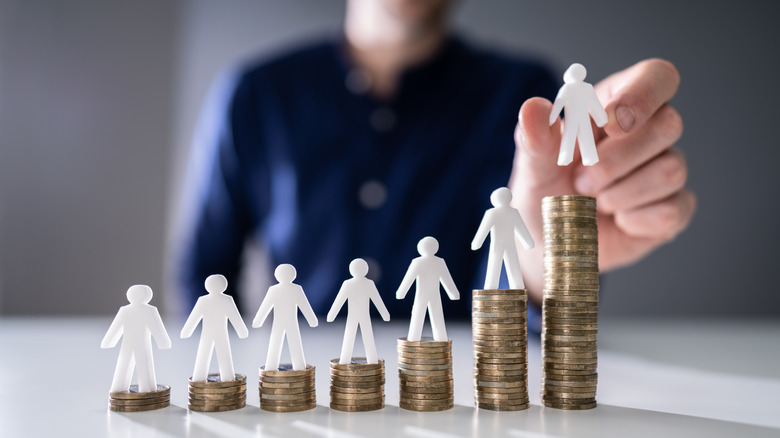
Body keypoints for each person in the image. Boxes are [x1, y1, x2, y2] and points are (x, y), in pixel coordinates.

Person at [176, 0, 696, 325]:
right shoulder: (255, 94)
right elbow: (202, 271)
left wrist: (553, 260)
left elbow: (517, 269)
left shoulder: (526, 95)